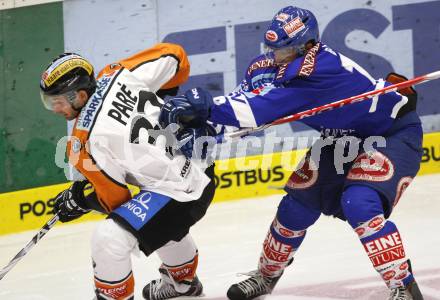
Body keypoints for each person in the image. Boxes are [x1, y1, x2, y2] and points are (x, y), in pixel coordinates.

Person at [158, 6, 425, 300]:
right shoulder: (269, 66)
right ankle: (266, 276)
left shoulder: (321, 72)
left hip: (390, 134)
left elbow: (256, 110)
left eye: (285, 50)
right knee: (295, 207)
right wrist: (206, 127)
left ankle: (403, 286)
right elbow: (245, 113)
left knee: (359, 203)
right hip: (341, 137)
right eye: (272, 49)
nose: (276, 57)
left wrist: (205, 105)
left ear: (308, 45)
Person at [39, 43, 216, 300]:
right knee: (156, 214)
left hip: (179, 195)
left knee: (108, 238)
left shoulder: (83, 143)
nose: (54, 109)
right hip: (202, 166)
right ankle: (184, 284)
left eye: (56, 101)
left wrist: (82, 200)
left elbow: (117, 202)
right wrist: (166, 97)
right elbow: (176, 56)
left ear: (79, 95)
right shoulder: (117, 73)